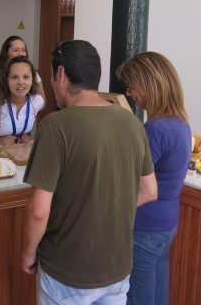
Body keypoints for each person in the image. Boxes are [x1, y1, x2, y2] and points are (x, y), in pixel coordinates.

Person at [21, 40, 158, 304]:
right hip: (116, 268)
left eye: (50, 77)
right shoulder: (132, 122)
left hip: (68, 269)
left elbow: (38, 211)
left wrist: (27, 254)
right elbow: (149, 191)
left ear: (60, 74)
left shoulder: (56, 125)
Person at [117, 52, 191, 305]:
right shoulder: (180, 122)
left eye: (131, 86)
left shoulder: (155, 130)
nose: (129, 93)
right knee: (158, 295)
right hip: (165, 224)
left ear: (148, 83)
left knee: (138, 298)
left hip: (144, 226)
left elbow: (129, 178)